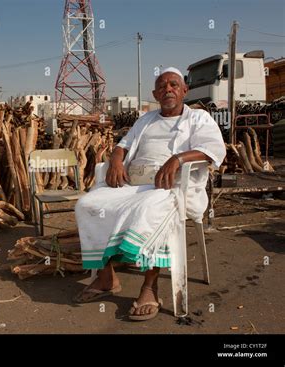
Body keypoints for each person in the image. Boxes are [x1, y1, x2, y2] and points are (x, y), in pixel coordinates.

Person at [73, 67, 226, 320]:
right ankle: (106, 277)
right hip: (134, 183)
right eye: (163, 86)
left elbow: (213, 150)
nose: (168, 89)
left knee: (151, 208)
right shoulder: (146, 119)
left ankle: (150, 287)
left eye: (174, 85)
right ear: (155, 94)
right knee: (87, 204)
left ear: (184, 90)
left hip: (172, 185)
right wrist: (116, 161)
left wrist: (177, 158)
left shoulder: (198, 118)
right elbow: (122, 146)